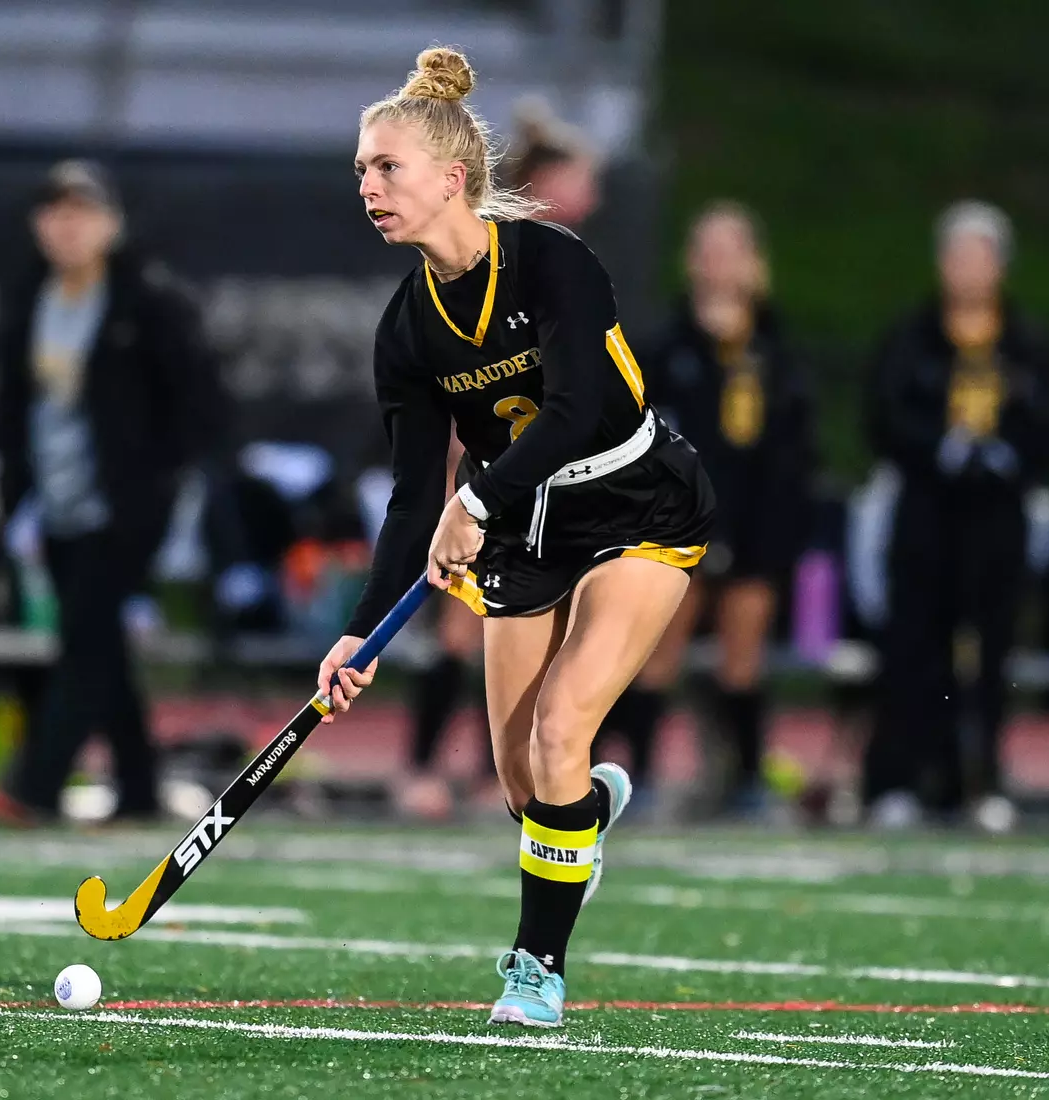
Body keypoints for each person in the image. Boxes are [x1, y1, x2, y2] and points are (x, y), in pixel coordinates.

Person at [318, 48, 716, 1028]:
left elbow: (579, 408)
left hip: (633, 501)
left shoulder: (552, 260)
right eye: (362, 168)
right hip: (527, 526)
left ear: (452, 179)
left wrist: (480, 501)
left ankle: (536, 970)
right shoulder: (407, 328)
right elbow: (416, 497)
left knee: (559, 729)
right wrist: (360, 632)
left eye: (387, 167)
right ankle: (583, 811)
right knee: (524, 787)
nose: (368, 185)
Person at [0, 160, 205, 825]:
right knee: (98, 641)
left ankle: (36, 785)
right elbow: (15, 406)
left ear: (111, 223)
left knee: (83, 639)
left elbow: (195, 400)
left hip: (126, 505)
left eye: (82, 212)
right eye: (55, 213)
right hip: (57, 501)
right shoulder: (29, 302)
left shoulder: (147, 301)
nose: (67, 227)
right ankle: (138, 786)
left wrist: (159, 477)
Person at [399, 97, 603, 821]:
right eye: (582, 178)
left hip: (551, 478)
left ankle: (507, 778)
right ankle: (424, 768)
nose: (595, 196)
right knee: (463, 624)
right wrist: (467, 488)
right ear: (546, 182)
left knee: (544, 627)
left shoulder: (560, 265)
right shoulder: (498, 259)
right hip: (494, 476)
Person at [863, 201, 1049, 829]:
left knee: (991, 654)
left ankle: (980, 783)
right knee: (913, 650)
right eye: (957, 255)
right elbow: (884, 417)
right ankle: (897, 781)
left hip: (996, 518)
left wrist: (1003, 455)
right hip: (925, 513)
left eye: (981, 256)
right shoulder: (909, 335)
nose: (969, 269)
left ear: (1001, 266)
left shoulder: (1029, 344)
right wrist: (940, 449)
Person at [626, 202, 815, 818]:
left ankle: (747, 778)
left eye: (731, 250)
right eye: (706, 250)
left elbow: (793, 441)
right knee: (660, 649)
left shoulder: (773, 345)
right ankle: (644, 774)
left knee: (744, 652)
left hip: (757, 515)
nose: (718, 264)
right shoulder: (668, 344)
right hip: (681, 516)